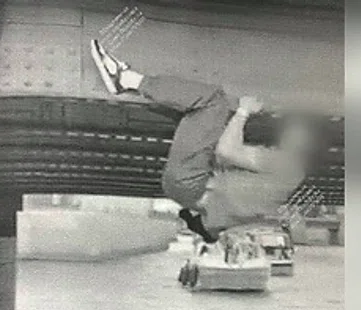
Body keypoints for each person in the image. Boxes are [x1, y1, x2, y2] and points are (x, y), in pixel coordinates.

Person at [89, 39, 318, 244]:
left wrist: (243, 111)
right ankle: (170, 99)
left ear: (302, 143)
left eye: (299, 130)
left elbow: (226, 151)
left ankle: (125, 80)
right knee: (205, 120)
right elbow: (215, 227)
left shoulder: (287, 165)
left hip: (191, 180)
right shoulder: (282, 184)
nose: (293, 128)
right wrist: (197, 223)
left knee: (214, 101)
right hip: (185, 190)